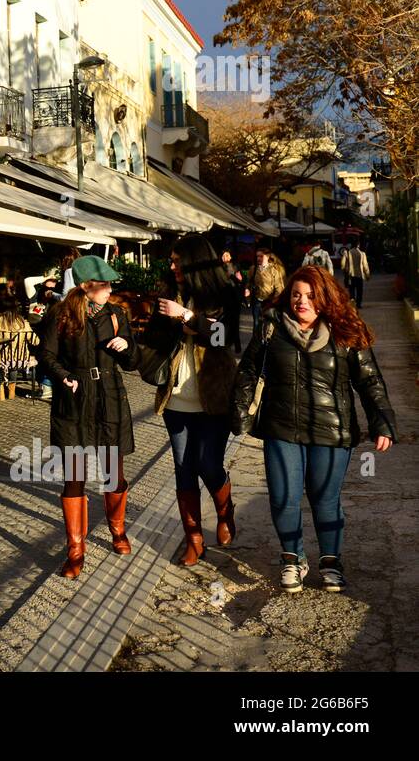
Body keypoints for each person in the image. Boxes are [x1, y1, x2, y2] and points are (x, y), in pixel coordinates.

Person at [234, 265, 396, 593]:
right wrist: (239, 408)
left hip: (332, 430)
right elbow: (249, 368)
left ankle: (331, 561)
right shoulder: (270, 327)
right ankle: (293, 559)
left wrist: (382, 422)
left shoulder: (346, 330)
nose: (301, 301)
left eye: (310, 295)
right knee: (283, 498)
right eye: (296, 294)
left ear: (324, 297)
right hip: (281, 427)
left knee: (325, 499)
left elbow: (370, 380)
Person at [39, 256, 142, 578]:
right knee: (74, 476)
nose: (110, 290)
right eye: (104, 285)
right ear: (86, 287)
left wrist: (126, 345)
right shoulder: (61, 314)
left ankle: (117, 530)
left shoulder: (116, 314)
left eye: (111, 284)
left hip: (110, 397)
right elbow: (45, 354)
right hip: (75, 401)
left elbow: (132, 362)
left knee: (114, 473)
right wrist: (63, 376)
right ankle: (76, 548)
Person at [141, 235, 238, 566]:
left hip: (214, 397)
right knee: (184, 468)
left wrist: (188, 318)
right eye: (171, 261)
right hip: (176, 395)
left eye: (177, 261)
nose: (172, 267)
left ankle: (225, 512)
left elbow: (224, 338)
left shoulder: (225, 293)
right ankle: (194, 540)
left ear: (195, 262)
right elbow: (152, 340)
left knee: (208, 464)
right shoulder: (168, 293)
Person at [249, 248, 286, 332]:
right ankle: (256, 341)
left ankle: (267, 341)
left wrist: (274, 302)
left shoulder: (275, 270)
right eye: (257, 256)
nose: (258, 258)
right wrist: (247, 290)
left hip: (269, 301)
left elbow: (279, 288)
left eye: (261, 256)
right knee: (256, 323)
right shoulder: (253, 269)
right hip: (257, 300)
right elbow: (249, 282)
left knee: (269, 323)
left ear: (268, 256)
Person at [340, 240, 370, 307]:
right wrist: (367, 275)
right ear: (358, 245)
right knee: (359, 290)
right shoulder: (362, 254)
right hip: (359, 275)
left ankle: (352, 302)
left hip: (351, 276)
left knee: (351, 290)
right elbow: (365, 266)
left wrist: (345, 271)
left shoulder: (347, 253)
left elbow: (342, 265)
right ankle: (359, 304)